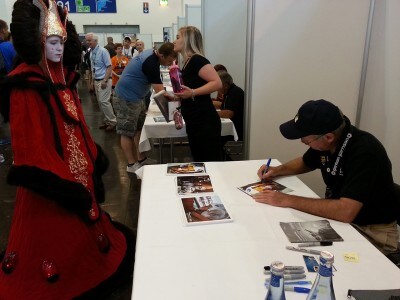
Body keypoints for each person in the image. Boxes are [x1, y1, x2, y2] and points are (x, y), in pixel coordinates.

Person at [0, 0, 135, 298]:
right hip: (52, 182)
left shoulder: (64, 80)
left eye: (61, 41)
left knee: (88, 243)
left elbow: (78, 126)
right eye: (51, 42)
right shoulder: (26, 85)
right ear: (36, 42)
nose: (59, 48)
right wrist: (61, 183)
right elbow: (29, 146)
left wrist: (92, 159)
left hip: (78, 172)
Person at [255, 99, 400, 255]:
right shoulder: (328, 142)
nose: (302, 141)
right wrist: (277, 170)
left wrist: (287, 200)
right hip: (343, 221)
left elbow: (346, 211)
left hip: (372, 231)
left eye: (305, 138)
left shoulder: (366, 152)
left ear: (328, 137)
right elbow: (306, 162)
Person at [114, 42, 177, 173]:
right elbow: (160, 93)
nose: (170, 64)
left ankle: (141, 159)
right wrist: (174, 110)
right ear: (161, 54)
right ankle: (131, 164)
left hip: (137, 97)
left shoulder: (153, 56)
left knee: (138, 128)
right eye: (169, 60)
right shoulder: (151, 63)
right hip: (126, 97)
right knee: (126, 131)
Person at [172, 26, 223, 162]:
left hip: (204, 121)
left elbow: (217, 83)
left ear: (188, 40)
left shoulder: (197, 60)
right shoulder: (187, 62)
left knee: (209, 163)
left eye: (177, 37)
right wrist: (176, 96)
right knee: (200, 161)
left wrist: (193, 92)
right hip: (195, 120)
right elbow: (190, 89)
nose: (174, 41)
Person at [85, 32, 117, 131]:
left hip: (104, 80)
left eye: (89, 40)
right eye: (86, 40)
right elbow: (92, 67)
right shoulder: (91, 52)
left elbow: (109, 66)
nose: (87, 42)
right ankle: (107, 121)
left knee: (104, 101)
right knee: (100, 103)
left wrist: (105, 80)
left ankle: (113, 121)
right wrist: (92, 81)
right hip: (96, 80)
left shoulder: (103, 51)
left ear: (95, 41)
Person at [215, 70, 245, 141]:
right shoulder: (228, 92)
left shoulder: (235, 92)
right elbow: (223, 107)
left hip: (236, 131)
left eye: (218, 85)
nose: (216, 88)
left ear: (225, 85)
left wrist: (209, 113)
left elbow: (228, 113)